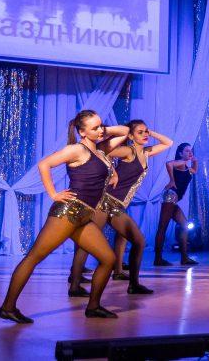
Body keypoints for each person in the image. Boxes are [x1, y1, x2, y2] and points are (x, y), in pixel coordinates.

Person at [0, 110, 128, 323]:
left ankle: (93, 306)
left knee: (108, 259)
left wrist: (102, 130)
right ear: (81, 132)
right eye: (94, 128)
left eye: (101, 126)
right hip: (68, 213)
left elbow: (124, 131)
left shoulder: (100, 151)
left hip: (85, 216)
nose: (100, 130)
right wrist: (53, 194)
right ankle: (7, 307)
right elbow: (44, 164)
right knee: (34, 257)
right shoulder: (77, 149)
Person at [68, 120, 172, 296]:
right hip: (105, 200)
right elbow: (101, 151)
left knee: (139, 241)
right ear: (130, 136)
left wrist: (151, 132)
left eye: (146, 131)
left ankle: (134, 284)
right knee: (87, 244)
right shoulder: (128, 151)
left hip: (117, 205)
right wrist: (112, 171)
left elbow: (168, 143)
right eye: (140, 132)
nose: (145, 135)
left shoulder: (146, 152)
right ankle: (74, 286)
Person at [153, 143, 199, 266]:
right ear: (180, 153)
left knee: (184, 225)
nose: (190, 153)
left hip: (173, 199)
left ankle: (184, 258)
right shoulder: (181, 163)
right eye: (187, 151)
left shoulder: (186, 167)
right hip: (170, 196)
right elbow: (169, 163)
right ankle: (158, 259)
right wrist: (172, 180)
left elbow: (194, 170)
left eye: (191, 151)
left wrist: (195, 161)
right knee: (162, 227)